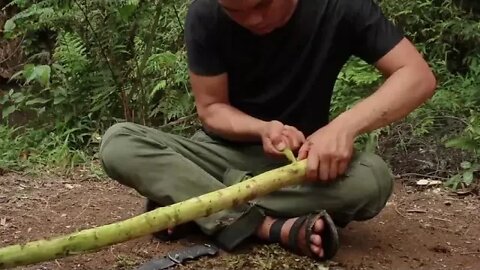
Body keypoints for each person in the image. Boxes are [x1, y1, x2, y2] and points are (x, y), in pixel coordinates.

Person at [99, 0, 436, 262]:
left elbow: (417, 75)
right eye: (237, 11)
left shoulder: (340, 7)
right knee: (119, 142)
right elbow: (212, 109)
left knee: (372, 180)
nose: (254, 19)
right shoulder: (206, 13)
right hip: (216, 154)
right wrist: (262, 129)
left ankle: (195, 202)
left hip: (297, 165)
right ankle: (267, 227)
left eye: (263, 4)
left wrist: (343, 127)